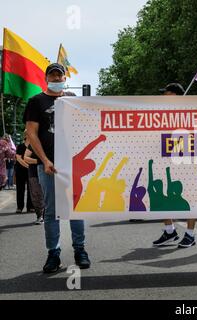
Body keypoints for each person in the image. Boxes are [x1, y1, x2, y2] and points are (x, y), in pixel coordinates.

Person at [25, 63, 90, 273]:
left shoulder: (72, 100)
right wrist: (44, 160)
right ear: (46, 78)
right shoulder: (36, 101)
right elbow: (31, 133)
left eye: (59, 75)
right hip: (49, 165)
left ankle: (80, 250)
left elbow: (86, 126)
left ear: (64, 78)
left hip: (72, 165)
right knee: (52, 211)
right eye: (52, 75)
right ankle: (53, 254)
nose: (56, 78)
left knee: (75, 209)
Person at [152, 83, 197, 248]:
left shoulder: (190, 113)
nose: (164, 98)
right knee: (160, 194)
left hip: (187, 161)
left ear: (178, 96)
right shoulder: (163, 113)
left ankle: (190, 235)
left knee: (191, 198)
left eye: (168, 94)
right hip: (166, 159)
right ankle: (169, 231)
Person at [24, 144, 45, 225]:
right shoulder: (32, 144)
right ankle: (40, 216)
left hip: (48, 172)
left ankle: (47, 216)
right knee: (36, 195)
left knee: (47, 195)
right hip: (34, 174)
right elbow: (25, 158)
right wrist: (38, 161)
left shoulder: (51, 140)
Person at [14, 133, 33, 213]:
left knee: (31, 189)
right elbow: (18, 158)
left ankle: (30, 207)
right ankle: (19, 207)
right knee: (20, 189)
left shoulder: (33, 146)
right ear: (25, 136)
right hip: (20, 170)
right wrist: (28, 166)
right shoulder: (20, 146)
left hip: (30, 171)